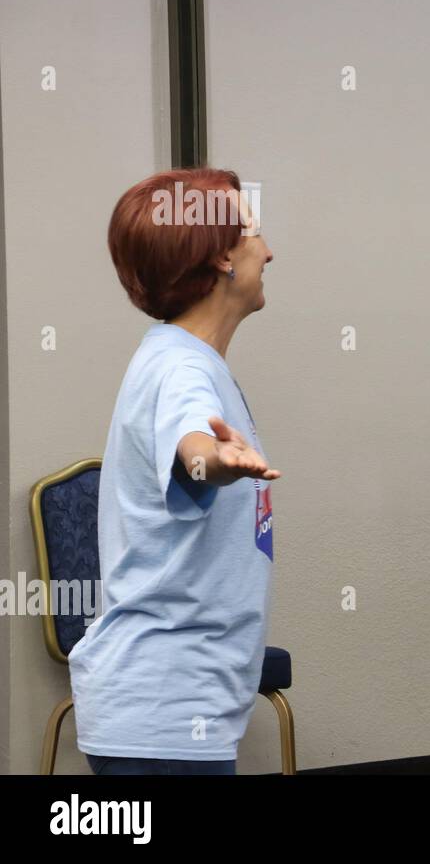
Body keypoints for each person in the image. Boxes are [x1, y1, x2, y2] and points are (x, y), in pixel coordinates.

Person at [68, 168, 279, 774]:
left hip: (172, 720)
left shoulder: (182, 359)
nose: (269, 250)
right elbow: (192, 445)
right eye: (255, 234)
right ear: (220, 259)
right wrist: (214, 460)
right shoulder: (180, 371)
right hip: (162, 723)